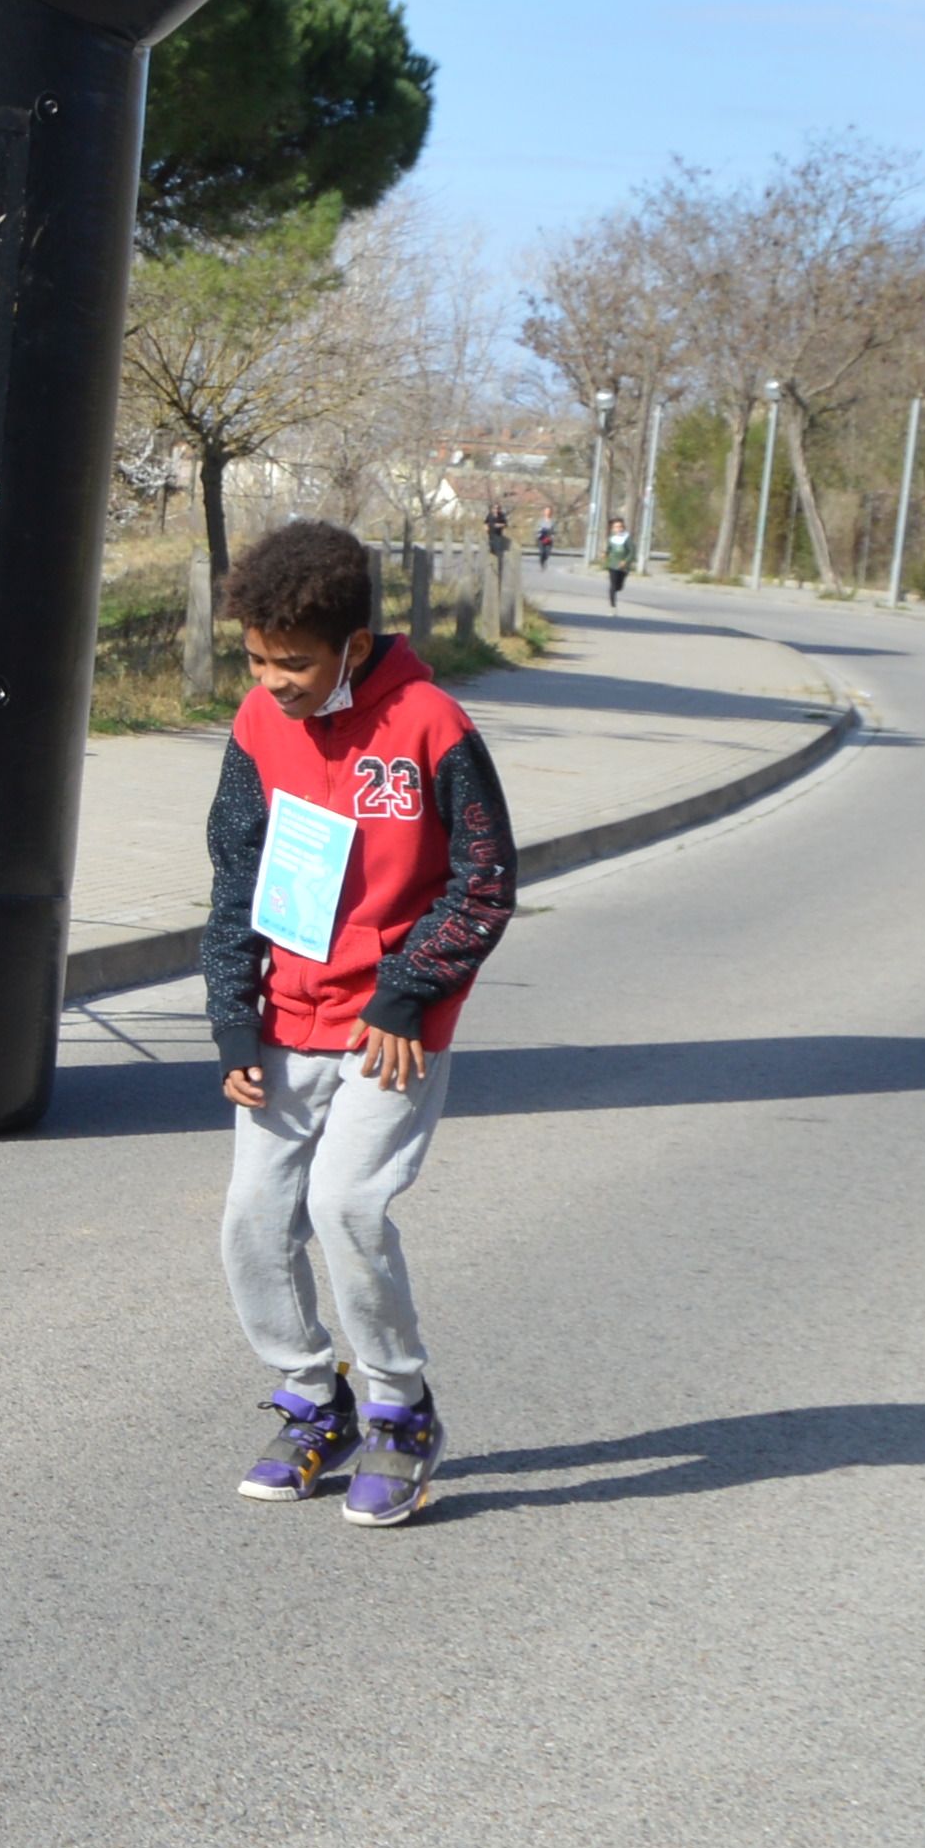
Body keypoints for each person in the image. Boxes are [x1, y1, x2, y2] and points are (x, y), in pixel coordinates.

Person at [207, 520, 516, 1532]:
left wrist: (407, 990)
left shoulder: (431, 724)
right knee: (252, 1220)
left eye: (290, 661)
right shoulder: (258, 726)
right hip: (285, 1020)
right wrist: (230, 1016)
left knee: (345, 1207)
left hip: (390, 1030)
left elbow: (484, 883)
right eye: (254, 658)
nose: (270, 680)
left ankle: (399, 1407)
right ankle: (310, 1397)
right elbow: (234, 872)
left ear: (350, 642)